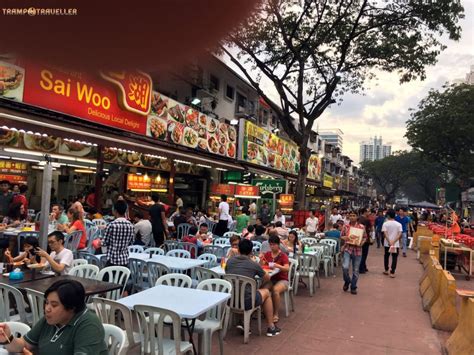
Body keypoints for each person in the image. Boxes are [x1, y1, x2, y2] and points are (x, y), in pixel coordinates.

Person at [0, 279, 107, 354]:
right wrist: (7, 339)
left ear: (71, 307)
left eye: (54, 305)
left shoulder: (89, 325)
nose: (47, 308)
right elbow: (24, 345)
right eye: (46, 303)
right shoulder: (50, 319)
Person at [225, 239, 281, 337]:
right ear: (251, 251)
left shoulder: (229, 262)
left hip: (230, 299)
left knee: (247, 290)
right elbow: (267, 278)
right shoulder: (253, 264)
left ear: (238, 249)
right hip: (247, 301)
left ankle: (244, 322)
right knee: (266, 292)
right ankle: (271, 327)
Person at [260, 234, 289, 324]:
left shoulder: (283, 255)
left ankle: (275, 313)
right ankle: (262, 310)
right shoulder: (268, 254)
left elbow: (287, 268)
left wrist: (278, 266)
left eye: (274, 244)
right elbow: (262, 265)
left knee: (276, 290)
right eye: (270, 244)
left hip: (282, 279)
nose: (272, 246)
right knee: (263, 289)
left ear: (278, 245)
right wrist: (261, 259)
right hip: (271, 278)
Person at [341, 210, 367, 295]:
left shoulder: (361, 227)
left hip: (357, 251)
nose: (352, 217)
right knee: (345, 267)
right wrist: (345, 238)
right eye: (351, 215)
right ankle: (347, 281)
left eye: (354, 215)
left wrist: (361, 243)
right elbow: (341, 236)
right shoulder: (346, 226)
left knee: (356, 270)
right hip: (347, 249)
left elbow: (365, 237)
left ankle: (353, 286)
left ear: (357, 217)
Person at [102, 200, 134, 267]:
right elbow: (131, 242)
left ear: (115, 211)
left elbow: (104, 242)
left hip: (112, 260)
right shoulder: (131, 225)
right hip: (124, 261)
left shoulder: (111, 225)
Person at [382, 209, 402, 278]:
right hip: (395, 244)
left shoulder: (385, 224)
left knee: (386, 256)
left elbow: (385, 233)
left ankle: (386, 270)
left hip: (387, 243)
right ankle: (392, 272)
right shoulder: (399, 224)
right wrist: (394, 242)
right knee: (394, 257)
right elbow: (399, 234)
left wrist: (389, 241)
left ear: (388, 215)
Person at [358, 207, 372, 274]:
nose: (369, 213)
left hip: (358, 238)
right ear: (365, 212)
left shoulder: (358, 219)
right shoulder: (366, 220)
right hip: (365, 238)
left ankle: (364, 266)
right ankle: (361, 268)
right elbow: (370, 229)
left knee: (361, 253)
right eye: (368, 211)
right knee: (364, 254)